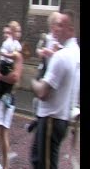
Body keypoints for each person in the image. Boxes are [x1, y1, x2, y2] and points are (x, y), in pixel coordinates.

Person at [30, 9, 80, 169]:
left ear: (70, 29)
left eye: (60, 25)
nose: (56, 28)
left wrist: (33, 82)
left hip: (51, 118)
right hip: (61, 118)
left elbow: (43, 92)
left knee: (44, 164)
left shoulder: (62, 56)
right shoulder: (75, 52)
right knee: (38, 158)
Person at [0, 21, 23, 169]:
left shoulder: (18, 54)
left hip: (7, 97)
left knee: (3, 132)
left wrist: (0, 76)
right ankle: (6, 151)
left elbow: (15, 77)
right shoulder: (5, 53)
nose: (5, 36)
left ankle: (5, 163)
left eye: (9, 33)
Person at [26, 11, 62, 133]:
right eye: (58, 24)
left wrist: (53, 52)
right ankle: (38, 119)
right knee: (38, 97)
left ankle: (40, 121)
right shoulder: (46, 38)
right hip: (45, 69)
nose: (60, 28)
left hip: (55, 73)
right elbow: (38, 49)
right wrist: (41, 52)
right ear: (52, 26)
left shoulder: (61, 41)